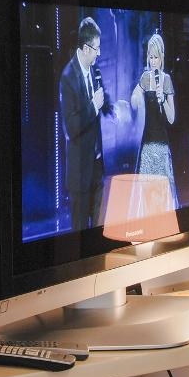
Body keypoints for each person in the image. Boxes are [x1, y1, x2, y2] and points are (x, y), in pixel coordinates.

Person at [60, 17, 111, 230]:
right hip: (80, 172)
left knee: (99, 231)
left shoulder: (95, 71)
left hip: (97, 168)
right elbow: (71, 126)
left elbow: (102, 101)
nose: (99, 53)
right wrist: (93, 106)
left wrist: (111, 108)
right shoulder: (68, 78)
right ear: (86, 48)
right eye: (97, 48)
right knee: (80, 236)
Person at [130, 33, 178, 204]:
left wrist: (163, 99)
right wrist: (135, 98)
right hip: (147, 143)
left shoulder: (167, 80)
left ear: (161, 57)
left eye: (156, 57)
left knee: (161, 194)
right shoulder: (145, 78)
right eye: (150, 57)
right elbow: (134, 96)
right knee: (146, 194)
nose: (153, 61)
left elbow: (171, 118)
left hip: (161, 144)